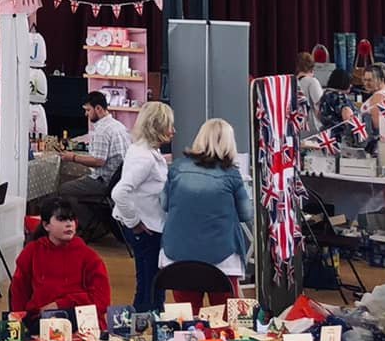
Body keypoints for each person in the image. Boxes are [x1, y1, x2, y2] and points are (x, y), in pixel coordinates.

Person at [160, 117, 255, 284]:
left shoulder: (176, 168)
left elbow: (164, 204)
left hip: (177, 254)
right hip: (221, 258)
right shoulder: (231, 174)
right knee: (222, 309)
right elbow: (246, 214)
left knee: (186, 309)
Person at [110, 101, 174, 310]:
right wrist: (134, 223)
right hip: (146, 228)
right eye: (169, 126)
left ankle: (153, 323)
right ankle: (141, 327)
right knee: (149, 285)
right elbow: (119, 192)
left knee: (154, 282)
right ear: (157, 127)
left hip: (150, 225)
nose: (173, 131)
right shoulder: (145, 158)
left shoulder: (141, 150)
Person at [40, 91, 130, 236]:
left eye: (88, 110)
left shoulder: (103, 130)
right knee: (75, 185)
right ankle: (94, 224)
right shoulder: (118, 126)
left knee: (64, 189)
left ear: (98, 109)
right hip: (117, 180)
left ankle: (91, 225)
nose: (86, 114)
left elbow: (98, 161)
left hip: (105, 181)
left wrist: (73, 157)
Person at [8, 203, 111, 318]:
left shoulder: (90, 257)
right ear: (46, 225)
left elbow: (102, 301)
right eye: (62, 219)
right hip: (39, 322)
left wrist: (60, 305)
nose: (69, 224)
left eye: (72, 220)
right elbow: (19, 292)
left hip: (80, 322)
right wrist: (20, 322)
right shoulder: (32, 251)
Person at [293, 52, 324, 120]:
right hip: (310, 126)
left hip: (295, 126)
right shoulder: (312, 82)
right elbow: (320, 107)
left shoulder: (290, 82)